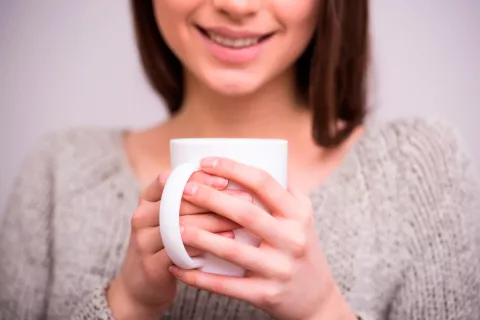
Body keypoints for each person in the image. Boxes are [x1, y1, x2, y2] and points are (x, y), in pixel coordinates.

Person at [1, 0, 479, 319]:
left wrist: (321, 309)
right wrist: (125, 302)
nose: (237, 4)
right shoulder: (59, 172)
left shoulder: (421, 168)